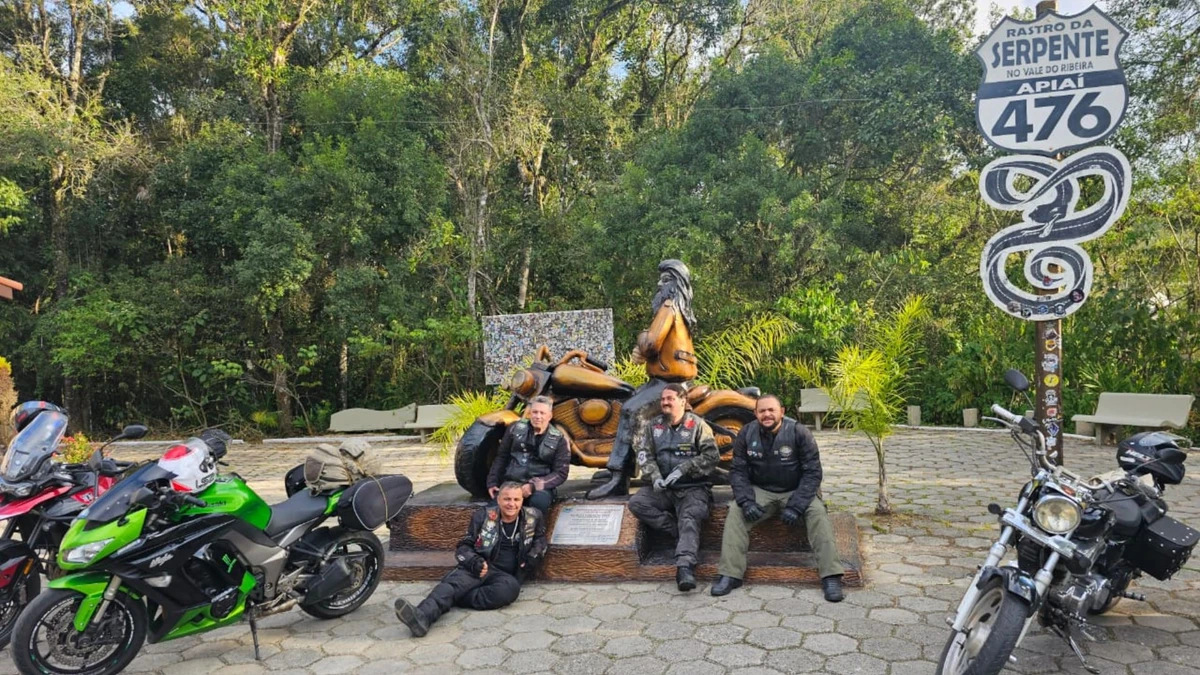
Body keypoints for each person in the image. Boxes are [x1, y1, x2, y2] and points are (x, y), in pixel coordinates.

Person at [711, 394, 845, 601]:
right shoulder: (746, 433)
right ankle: (730, 574)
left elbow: (813, 472)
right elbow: (738, 472)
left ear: (781, 412)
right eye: (762, 411)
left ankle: (831, 576)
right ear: (755, 414)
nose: (767, 414)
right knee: (736, 512)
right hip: (761, 490)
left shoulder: (799, 432)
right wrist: (746, 501)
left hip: (795, 489)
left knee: (817, 513)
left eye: (771, 410)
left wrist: (797, 506)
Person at [589, 260, 698, 499]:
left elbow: (650, 343)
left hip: (667, 384)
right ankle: (626, 466)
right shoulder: (682, 312)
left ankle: (619, 477)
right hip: (663, 380)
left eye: (666, 279)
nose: (660, 284)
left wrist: (642, 340)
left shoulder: (669, 307)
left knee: (629, 411)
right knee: (626, 397)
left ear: (677, 283)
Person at [394, 482, 547, 636]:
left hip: (505, 576)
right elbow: (463, 547)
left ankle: (456, 597)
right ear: (498, 500)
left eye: (516, 499)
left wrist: (533, 555)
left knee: (510, 590)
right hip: (479, 567)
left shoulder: (533, 516)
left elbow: (540, 540)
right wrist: (473, 562)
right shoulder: (483, 516)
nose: (512, 504)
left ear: (522, 500)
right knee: (452, 585)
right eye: (507, 499)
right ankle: (421, 616)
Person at [626, 383, 718, 591]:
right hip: (663, 488)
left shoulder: (698, 425)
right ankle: (674, 528)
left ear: (683, 401)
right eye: (663, 399)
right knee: (637, 503)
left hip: (692, 487)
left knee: (690, 516)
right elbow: (644, 455)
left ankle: (684, 568)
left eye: (670, 399)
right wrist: (656, 476)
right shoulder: (653, 426)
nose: (665, 403)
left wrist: (685, 469)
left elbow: (712, 456)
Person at [485, 396, 569, 516]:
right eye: (534, 412)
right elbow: (501, 457)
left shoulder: (559, 439)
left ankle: (536, 534)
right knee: (491, 512)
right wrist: (492, 482)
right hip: (511, 483)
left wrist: (533, 486)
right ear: (529, 413)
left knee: (538, 505)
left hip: (540, 487)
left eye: (542, 413)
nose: (538, 416)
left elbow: (561, 473)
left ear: (549, 416)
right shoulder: (514, 428)